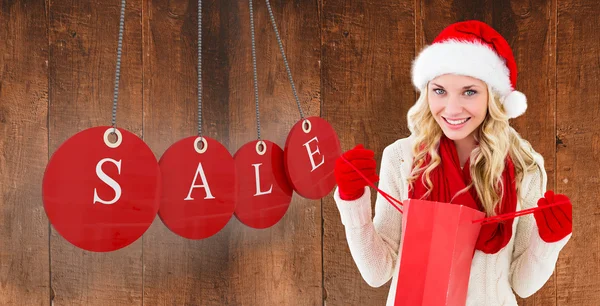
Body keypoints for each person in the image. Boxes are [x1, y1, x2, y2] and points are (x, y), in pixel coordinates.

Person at [333, 20, 572, 306]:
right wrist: (352, 200)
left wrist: (549, 242)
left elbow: (523, 283)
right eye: (440, 90)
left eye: (469, 91)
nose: (452, 108)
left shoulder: (524, 166)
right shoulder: (402, 157)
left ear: (493, 97)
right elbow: (378, 272)